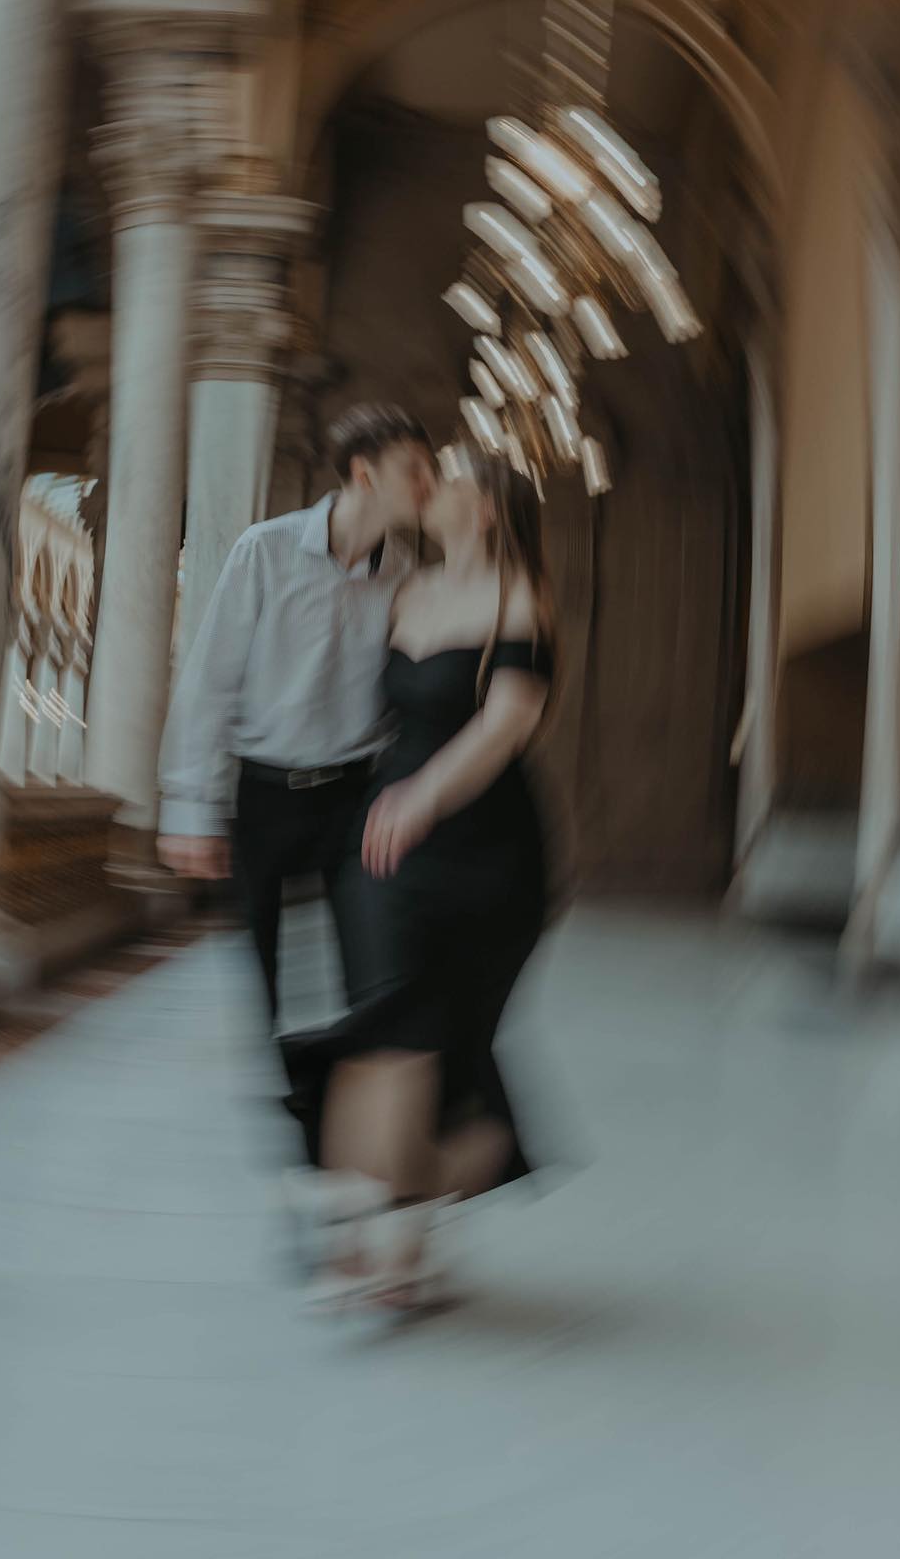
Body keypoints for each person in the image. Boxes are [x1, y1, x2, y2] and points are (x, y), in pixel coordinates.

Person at [282, 444, 557, 1313]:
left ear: (485, 509)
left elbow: (506, 725)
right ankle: (368, 1228)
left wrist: (422, 798)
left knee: (428, 1032)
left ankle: (395, 1235)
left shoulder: (522, 598)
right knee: (385, 1020)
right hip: (385, 844)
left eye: (452, 479)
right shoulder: (405, 589)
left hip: (484, 846)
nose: (430, 487)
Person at [156, 403, 436, 1162]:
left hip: (352, 797)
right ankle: (304, 1129)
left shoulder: (406, 574)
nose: (430, 485)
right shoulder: (265, 551)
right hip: (262, 801)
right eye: (417, 469)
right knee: (272, 986)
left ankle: (342, 1138)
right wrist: (190, 809)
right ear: (364, 473)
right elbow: (209, 684)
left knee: (362, 968)